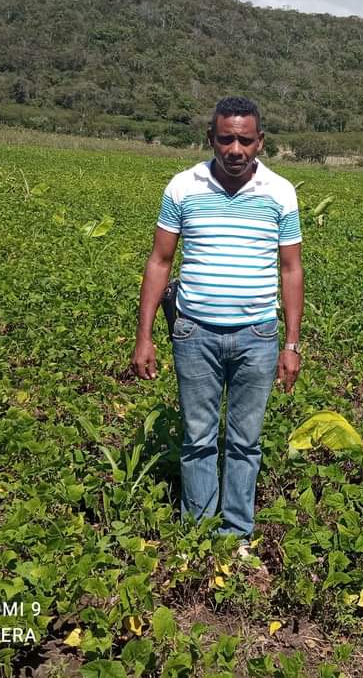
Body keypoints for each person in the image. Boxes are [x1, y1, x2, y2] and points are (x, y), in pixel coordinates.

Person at [131, 96, 304, 552]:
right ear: (211, 138)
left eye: (245, 140)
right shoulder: (182, 187)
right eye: (225, 138)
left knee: (245, 443)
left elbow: (291, 270)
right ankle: (199, 540)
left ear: (260, 141)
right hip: (194, 333)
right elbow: (160, 261)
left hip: (258, 336)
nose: (235, 149)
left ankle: (236, 539)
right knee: (197, 440)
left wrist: (292, 344)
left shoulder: (280, 192)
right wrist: (144, 336)